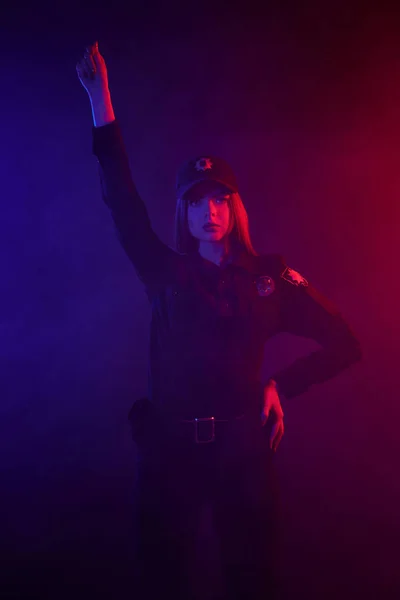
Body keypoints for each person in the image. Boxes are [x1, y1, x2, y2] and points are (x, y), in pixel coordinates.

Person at [76, 42, 362, 600]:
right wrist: (98, 97)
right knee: (163, 581)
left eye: (219, 199)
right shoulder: (163, 271)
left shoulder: (270, 278)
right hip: (169, 455)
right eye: (195, 202)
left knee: (254, 582)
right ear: (182, 213)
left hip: (242, 456)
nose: (209, 211)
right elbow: (121, 198)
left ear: (234, 209)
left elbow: (345, 343)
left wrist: (282, 384)